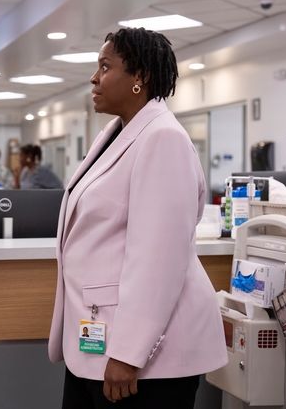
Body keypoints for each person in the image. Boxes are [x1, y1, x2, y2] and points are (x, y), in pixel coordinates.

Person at [48, 27, 227, 408]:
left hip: (145, 359)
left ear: (140, 77)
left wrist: (128, 354)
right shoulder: (117, 134)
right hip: (101, 341)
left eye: (105, 67)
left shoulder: (163, 138)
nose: (94, 78)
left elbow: (159, 259)